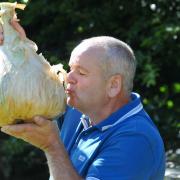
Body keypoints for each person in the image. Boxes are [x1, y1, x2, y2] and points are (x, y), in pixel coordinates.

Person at [1, 20, 165, 180]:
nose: (69, 77)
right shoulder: (79, 107)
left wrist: (52, 146)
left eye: (81, 72)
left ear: (113, 85)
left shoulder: (136, 139)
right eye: (71, 68)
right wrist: (15, 46)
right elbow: (23, 99)